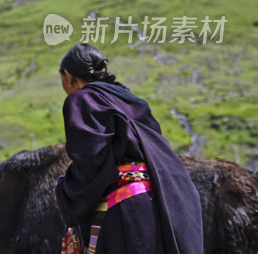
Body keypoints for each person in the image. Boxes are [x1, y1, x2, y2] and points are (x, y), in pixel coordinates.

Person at [54, 43, 202, 254]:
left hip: (127, 212)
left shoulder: (81, 99)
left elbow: (90, 163)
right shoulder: (133, 102)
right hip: (165, 205)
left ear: (68, 77)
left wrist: (63, 190)